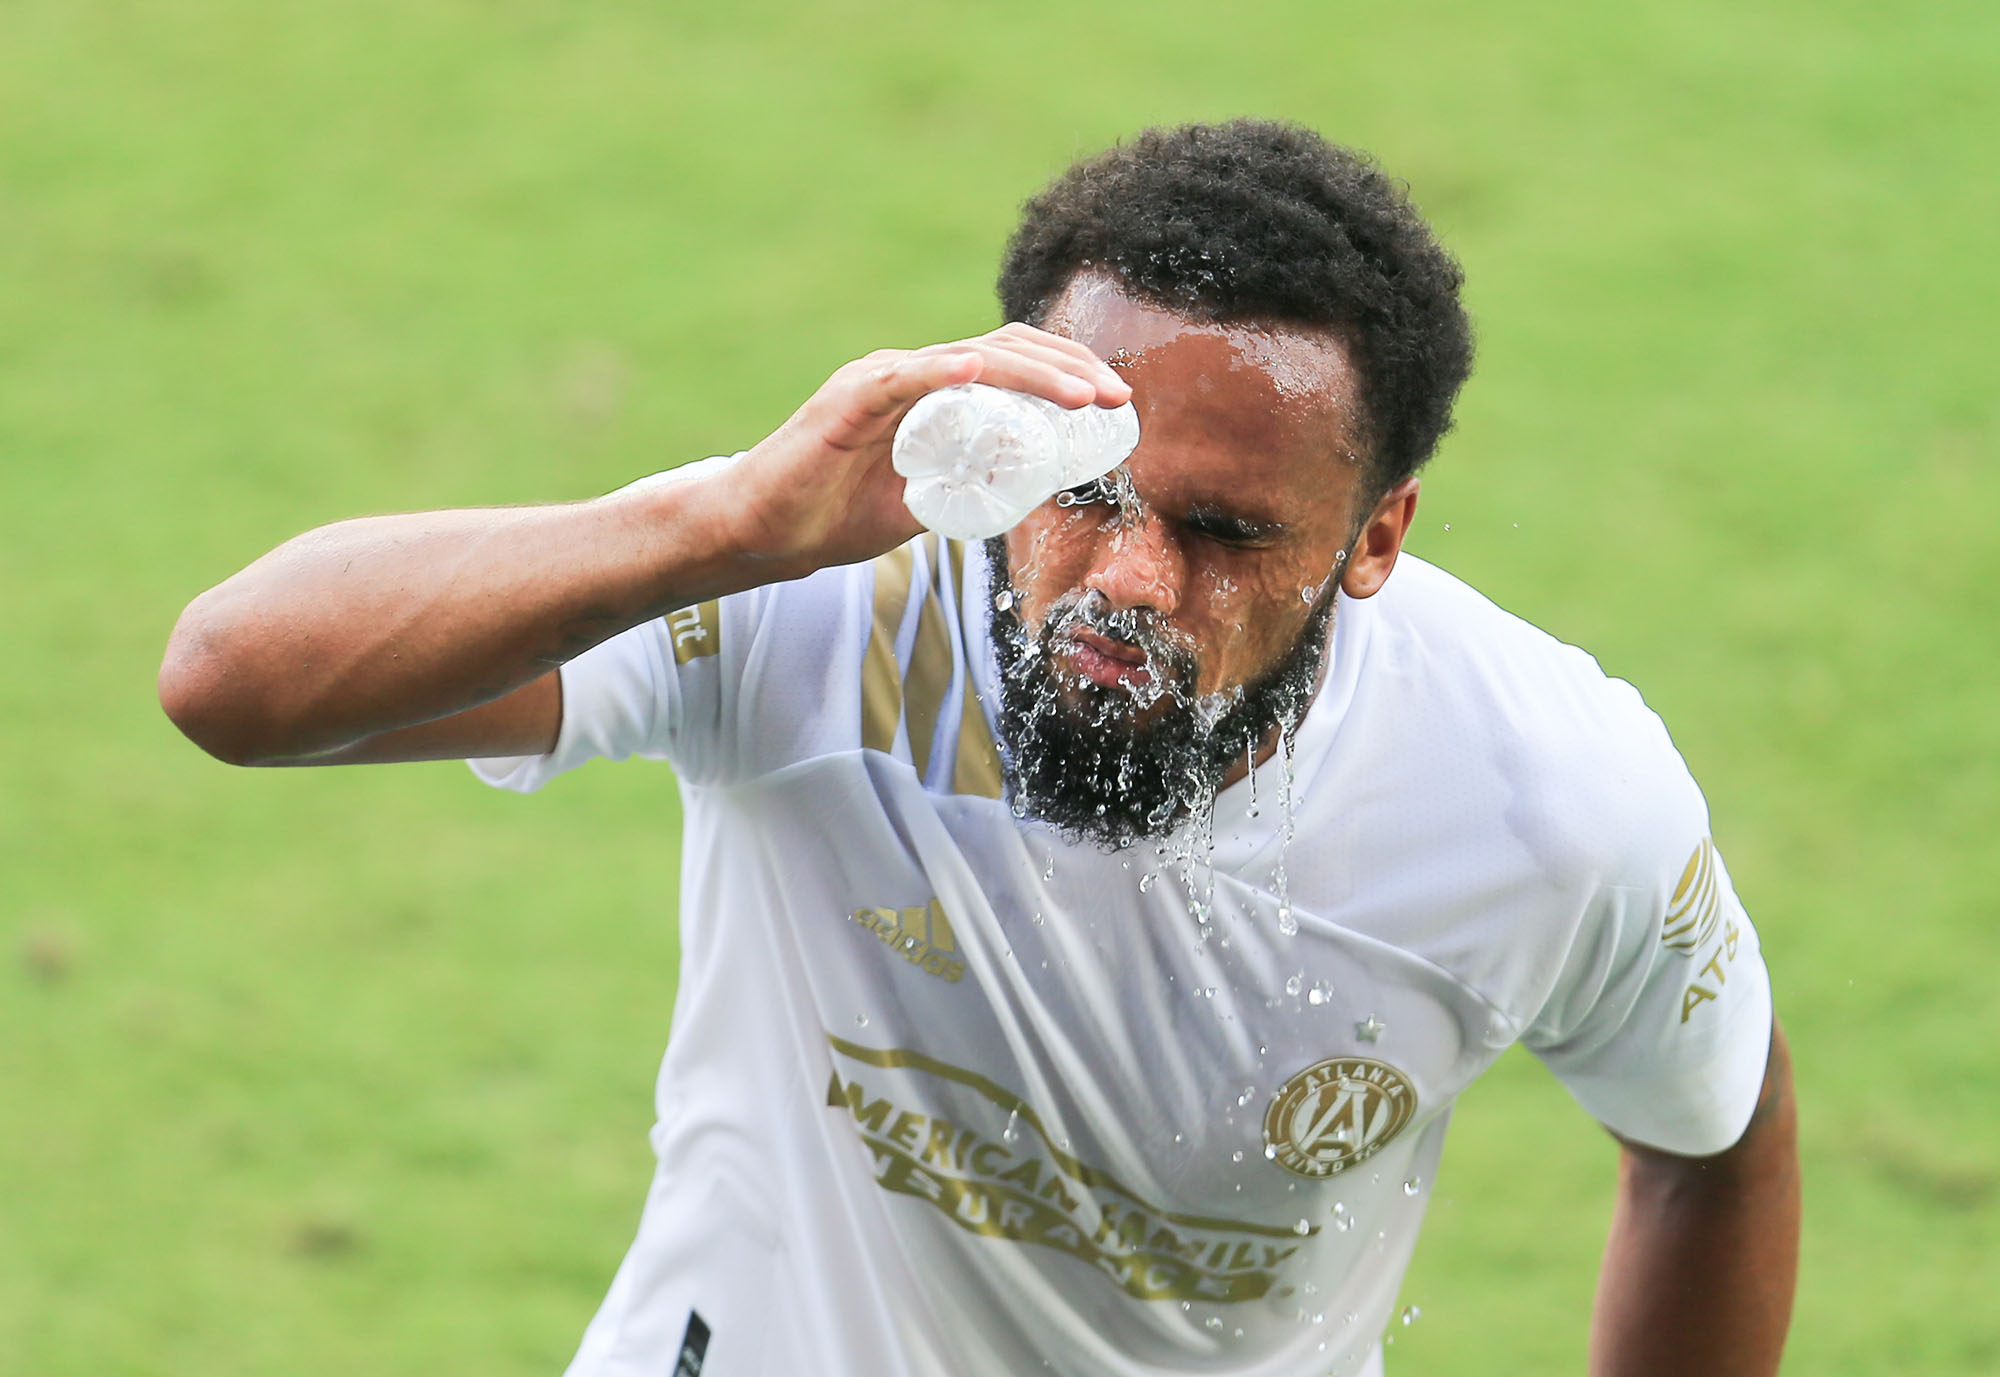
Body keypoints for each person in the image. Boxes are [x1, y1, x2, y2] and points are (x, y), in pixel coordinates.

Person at [160, 119, 1798, 1377]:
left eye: (1226, 530)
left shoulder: (1545, 801)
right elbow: (235, 680)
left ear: (1376, 537)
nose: (1129, 579)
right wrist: (717, 520)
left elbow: (1712, 1147)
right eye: (1082, 486)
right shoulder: (811, 600)